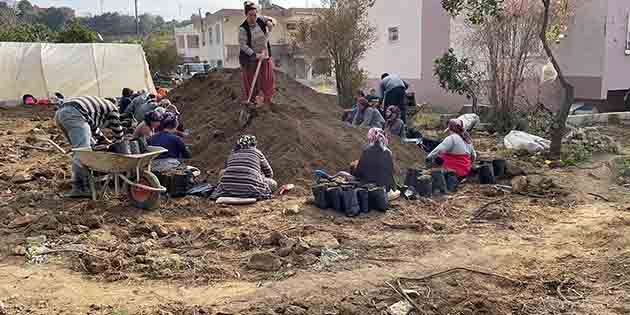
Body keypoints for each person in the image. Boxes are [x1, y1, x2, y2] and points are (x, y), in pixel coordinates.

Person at [55, 96, 124, 198]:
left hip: (61, 113)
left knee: (80, 149)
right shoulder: (113, 108)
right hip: (74, 114)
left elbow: (93, 128)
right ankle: (79, 188)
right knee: (83, 152)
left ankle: (87, 178)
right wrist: (121, 143)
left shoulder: (95, 107)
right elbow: (117, 129)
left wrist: (103, 139)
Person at [211, 135, 277, 200]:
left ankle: (229, 187)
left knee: (222, 172)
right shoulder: (257, 153)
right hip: (251, 189)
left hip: (227, 189)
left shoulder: (232, 153)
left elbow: (227, 170)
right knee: (273, 184)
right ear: (253, 144)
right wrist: (259, 176)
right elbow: (269, 173)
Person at [239, 1, 276, 106]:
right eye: (250, 15)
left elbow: (273, 21)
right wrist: (255, 55)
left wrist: (270, 23)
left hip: (264, 55)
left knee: (266, 81)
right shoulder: (243, 29)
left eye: (255, 15)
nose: (253, 18)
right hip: (250, 59)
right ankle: (252, 102)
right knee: (252, 83)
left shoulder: (260, 19)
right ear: (246, 15)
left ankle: (266, 102)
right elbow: (243, 46)